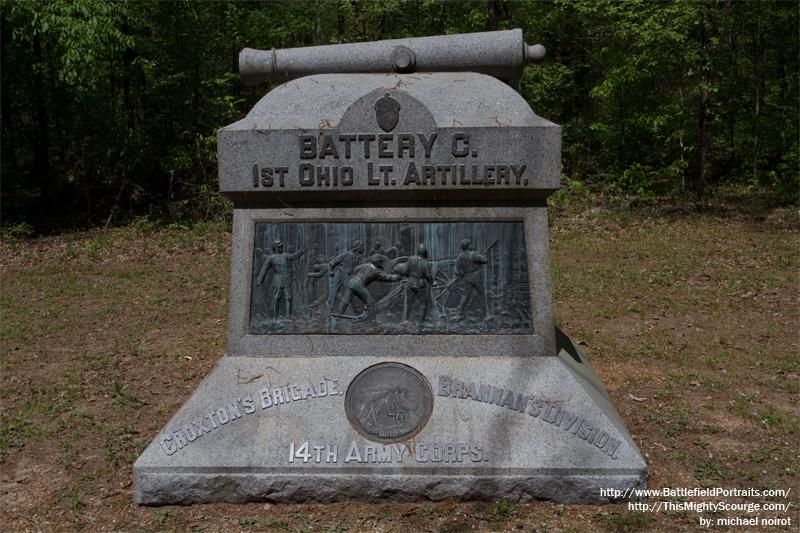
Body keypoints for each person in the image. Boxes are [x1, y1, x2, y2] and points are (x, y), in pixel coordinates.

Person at [336, 254, 400, 322]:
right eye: (381, 262)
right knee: (370, 303)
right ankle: (371, 321)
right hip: (358, 284)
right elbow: (387, 277)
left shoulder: (366, 265)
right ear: (377, 262)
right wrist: (398, 277)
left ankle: (338, 317)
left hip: (352, 281)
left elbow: (355, 269)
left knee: (345, 301)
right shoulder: (376, 271)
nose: (382, 263)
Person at [256, 239, 304, 320]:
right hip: (277, 279)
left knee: (289, 297)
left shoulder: (285, 255)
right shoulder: (271, 258)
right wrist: (260, 279)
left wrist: (301, 250)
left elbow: (294, 256)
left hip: (286, 279)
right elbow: (264, 269)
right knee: (276, 298)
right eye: (279, 246)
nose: (281, 247)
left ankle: (288, 317)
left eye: (281, 246)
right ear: (275, 248)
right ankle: (274, 318)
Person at [395, 243, 433, 324]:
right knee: (423, 303)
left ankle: (406, 319)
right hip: (420, 285)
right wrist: (432, 282)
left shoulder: (411, 259)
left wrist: (410, 276)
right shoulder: (425, 262)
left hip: (410, 284)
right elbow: (428, 275)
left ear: (418, 251)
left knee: (408, 302)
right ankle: (421, 321)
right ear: (424, 253)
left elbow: (405, 271)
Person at [454, 238, 487, 320]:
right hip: (476, 277)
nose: (472, 245)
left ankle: (459, 313)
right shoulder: (474, 254)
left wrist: (463, 274)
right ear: (468, 246)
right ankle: (485, 314)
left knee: (465, 296)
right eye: (470, 244)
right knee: (482, 295)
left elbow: (456, 271)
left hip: (467, 278)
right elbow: (485, 260)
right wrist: (485, 254)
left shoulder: (459, 257)